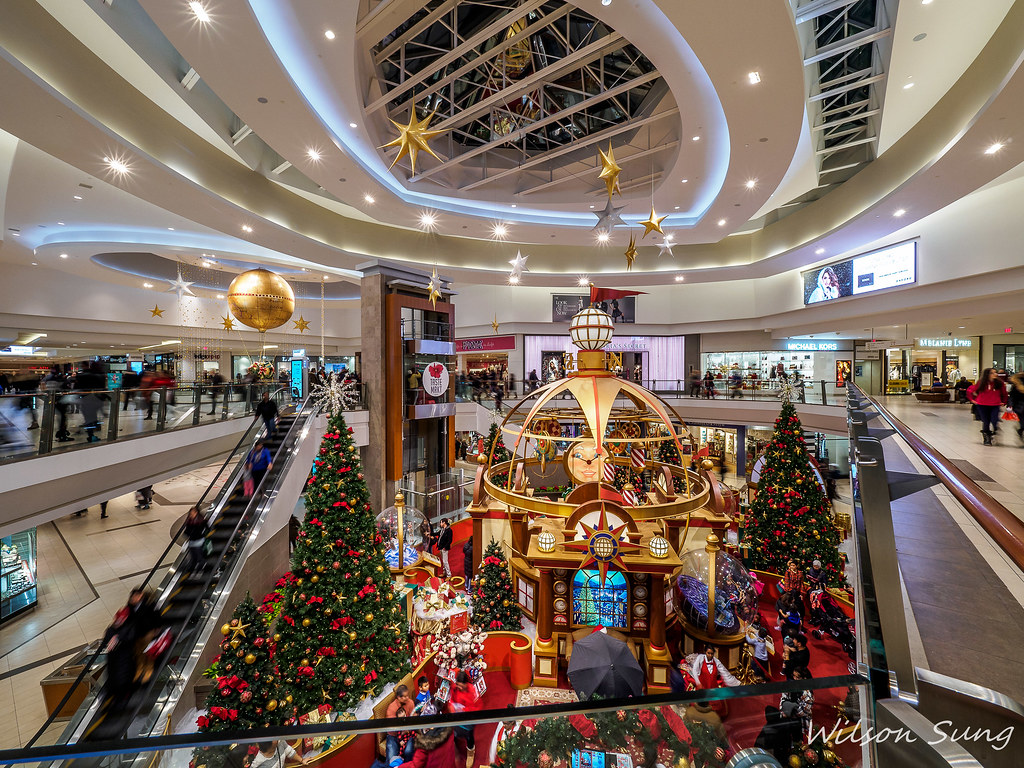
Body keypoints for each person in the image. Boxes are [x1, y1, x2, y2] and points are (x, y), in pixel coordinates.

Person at [101, 586, 158, 704]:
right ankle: (139, 671)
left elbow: (155, 616)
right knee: (138, 654)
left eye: (137, 596)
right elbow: (126, 621)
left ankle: (147, 672)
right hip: (137, 635)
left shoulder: (147, 604)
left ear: (141, 596)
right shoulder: (129, 607)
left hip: (147, 633)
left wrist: (156, 628)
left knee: (147, 653)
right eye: (133, 596)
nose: (134, 598)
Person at [967, 367, 1008, 445]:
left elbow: (1004, 393)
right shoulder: (981, 382)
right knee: (986, 421)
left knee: (994, 419)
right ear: (987, 375)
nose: (995, 374)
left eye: (995, 372)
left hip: (995, 404)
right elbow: (971, 390)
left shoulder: (999, 383)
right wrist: (972, 399)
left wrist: (1004, 401)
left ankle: (995, 430)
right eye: (992, 373)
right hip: (982, 404)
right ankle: (986, 437)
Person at [448, 670, 480, 768]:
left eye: (461, 685)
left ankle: (470, 751)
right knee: (455, 734)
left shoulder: (473, 691)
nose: (459, 687)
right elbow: (451, 700)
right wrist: (452, 707)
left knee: (469, 736)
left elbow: (478, 707)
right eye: (458, 685)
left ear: (466, 684)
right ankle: (455, 749)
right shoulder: (454, 688)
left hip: (469, 720)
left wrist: (465, 710)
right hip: (457, 718)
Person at [385, 684, 417, 763]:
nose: (408, 698)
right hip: (394, 735)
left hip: (408, 733)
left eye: (408, 695)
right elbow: (391, 728)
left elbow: (414, 718)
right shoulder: (391, 708)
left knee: (408, 752)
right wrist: (401, 734)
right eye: (405, 696)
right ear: (399, 697)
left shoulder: (410, 702)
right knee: (391, 759)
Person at [182, 506, 209, 570]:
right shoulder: (189, 521)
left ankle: (201, 568)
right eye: (190, 513)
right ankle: (192, 569)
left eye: (192, 513)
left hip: (198, 542)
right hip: (192, 542)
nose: (191, 515)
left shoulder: (201, 521)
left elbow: (207, 528)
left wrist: (202, 535)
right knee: (193, 557)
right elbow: (187, 530)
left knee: (199, 557)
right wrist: (186, 534)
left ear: (196, 513)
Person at [1007, 372, 1024, 442]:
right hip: (1020, 406)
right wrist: (1010, 405)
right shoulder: (1016, 384)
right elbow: (1012, 396)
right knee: (1023, 422)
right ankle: (1021, 429)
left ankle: (1021, 430)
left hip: (1018, 406)